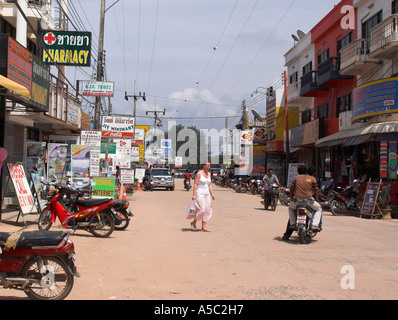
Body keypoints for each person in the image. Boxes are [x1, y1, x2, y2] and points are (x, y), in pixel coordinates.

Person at [282, 165, 322, 240]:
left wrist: (291, 198)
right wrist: (317, 200)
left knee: (291, 208)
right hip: (308, 201)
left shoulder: (296, 178)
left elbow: (291, 188)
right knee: (319, 209)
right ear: (306, 171)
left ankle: (293, 224)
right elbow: (316, 189)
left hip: (297, 201)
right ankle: (315, 224)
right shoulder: (312, 178)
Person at [188, 162, 215, 232]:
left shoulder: (209, 174)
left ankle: (204, 226)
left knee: (207, 209)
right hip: (199, 193)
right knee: (202, 209)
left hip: (207, 194)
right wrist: (194, 195)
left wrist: (212, 194)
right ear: (203, 166)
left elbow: (209, 185)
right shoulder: (199, 174)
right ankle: (194, 221)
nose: (209, 167)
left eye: (209, 165)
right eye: (208, 165)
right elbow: (196, 184)